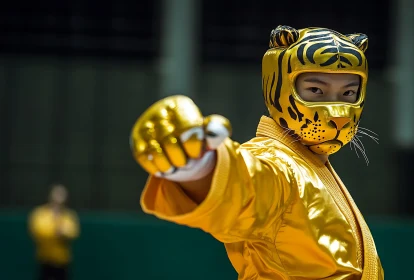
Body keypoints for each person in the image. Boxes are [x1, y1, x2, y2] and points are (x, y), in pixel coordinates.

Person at [131, 25, 384, 279]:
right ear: (278, 88)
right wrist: (200, 167)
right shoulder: (278, 164)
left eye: (348, 93)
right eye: (316, 91)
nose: (337, 112)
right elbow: (248, 187)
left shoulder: (310, 164)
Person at [28, 184, 80, 280]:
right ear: (50, 196)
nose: (59, 198)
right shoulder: (40, 214)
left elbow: (72, 232)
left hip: (62, 262)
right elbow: (38, 231)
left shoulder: (69, 216)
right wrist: (55, 231)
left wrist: (63, 233)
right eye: (57, 194)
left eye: (62, 195)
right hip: (45, 261)